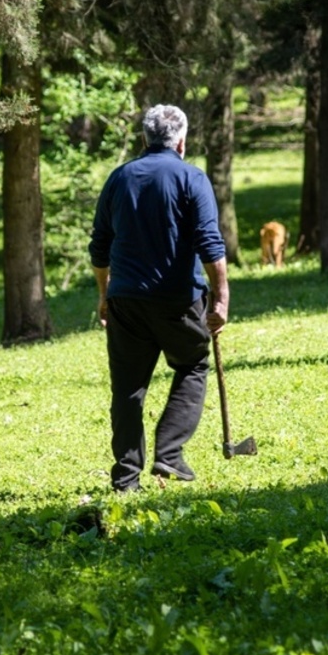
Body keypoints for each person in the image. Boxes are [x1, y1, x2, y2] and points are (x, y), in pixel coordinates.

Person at [89, 104, 229, 492]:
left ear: (144, 139)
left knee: (128, 388)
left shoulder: (119, 178)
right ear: (182, 141)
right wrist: (221, 299)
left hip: (126, 301)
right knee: (193, 365)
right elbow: (210, 243)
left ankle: (126, 478)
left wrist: (104, 294)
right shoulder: (192, 178)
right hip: (177, 300)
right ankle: (169, 456)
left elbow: (100, 247)